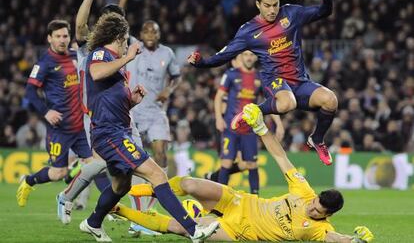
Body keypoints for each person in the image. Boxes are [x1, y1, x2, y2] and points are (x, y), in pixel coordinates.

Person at [120, 103, 374, 242]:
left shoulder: (319, 230)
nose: (312, 209)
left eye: (319, 212)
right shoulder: (304, 192)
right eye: (316, 204)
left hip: (238, 231)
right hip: (238, 201)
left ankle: (117, 210)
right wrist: (262, 128)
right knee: (189, 184)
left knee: (179, 228)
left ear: (327, 215)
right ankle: (137, 190)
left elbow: (336, 239)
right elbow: (280, 157)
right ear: (317, 197)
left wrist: (357, 240)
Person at [80, 12, 218, 242]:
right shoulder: (100, 54)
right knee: (156, 173)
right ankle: (193, 230)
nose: (128, 45)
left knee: (121, 186)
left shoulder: (118, 69)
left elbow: (110, 101)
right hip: (110, 134)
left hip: (116, 131)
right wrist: (127, 58)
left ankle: (93, 223)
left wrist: (131, 100)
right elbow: (95, 74)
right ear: (119, 38)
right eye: (126, 41)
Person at [188, 0, 337, 166]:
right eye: (267, 5)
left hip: (300, 82)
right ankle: (252, 112)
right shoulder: (249, 31)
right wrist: (201, 62)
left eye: (275, 4)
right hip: (275, 80)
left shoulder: (291, 14)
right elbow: (224, 55)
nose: (272, 10)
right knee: (286, 103)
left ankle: (317, 139)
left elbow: (325, 11)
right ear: (258, 4)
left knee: (330, 100)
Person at [56, 0, 138, 225]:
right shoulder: (90, 47)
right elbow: (80, 26)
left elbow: (117, 20)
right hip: (95, 114)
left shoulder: (121, 43)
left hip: (123, 111)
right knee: (107, 163)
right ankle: (69, 196)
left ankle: (125, 216)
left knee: (128, 167)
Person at [17, 20, 93, 207]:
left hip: (80, 126)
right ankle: (29, 181)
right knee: (58, 173)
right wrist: (46, 111)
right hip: (60, 128)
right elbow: (29, 92)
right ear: (49, 38)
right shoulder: (45, 63)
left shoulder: (76, 55)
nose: (62, 40)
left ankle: (72, 195)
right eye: (57, 36)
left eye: (65, 36)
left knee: (95, 166)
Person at [125, 20, 181, 222]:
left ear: (159, 35)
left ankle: (153, 200)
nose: (150, 34)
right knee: (132, 157)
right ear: (140, 33)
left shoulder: (167, 53)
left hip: (156, 111)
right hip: (132, 110)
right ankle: (136, 203)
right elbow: (119, 19)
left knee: (160, 152)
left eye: (154, 32)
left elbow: (176, 76)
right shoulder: (133, 46)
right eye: (146, 31)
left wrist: (169, 89)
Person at [213, 50, 283, 194]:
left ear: (256, 57)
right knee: (226, 163)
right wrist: (219, 118)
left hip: (250, 129)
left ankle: (255, 199)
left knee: (251, 164)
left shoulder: (260, 77)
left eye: (251, 55)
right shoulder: (231, 74)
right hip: (230, 127)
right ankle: (219, 199)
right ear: (241, 57)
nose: (249, 58)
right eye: (245, 55)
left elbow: (270, 102)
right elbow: (219, 97)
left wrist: (279, 124)